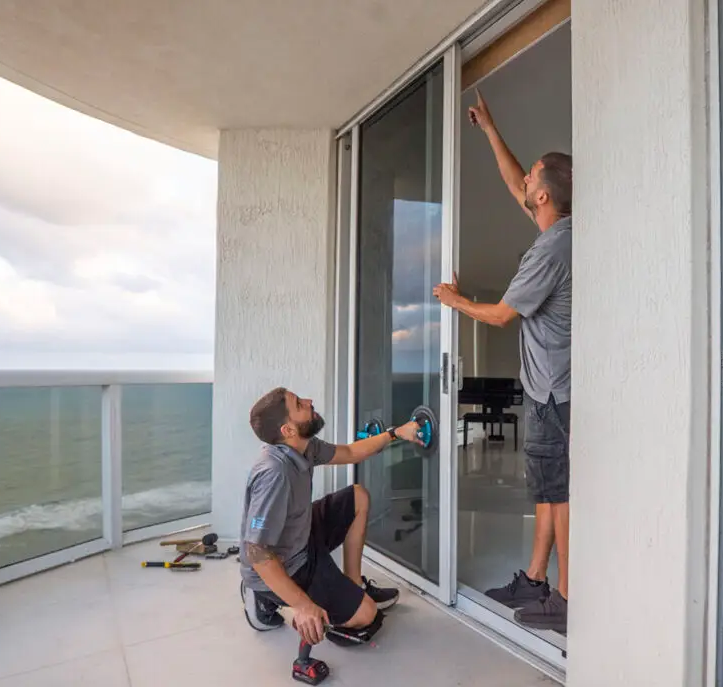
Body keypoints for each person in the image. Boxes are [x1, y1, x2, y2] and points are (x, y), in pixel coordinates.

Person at [433, 89, 572, 633]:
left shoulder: (552, 248)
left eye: (534, 176)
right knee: (546, 490)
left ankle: (564, 598)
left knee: (559, 495)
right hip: (548, 391)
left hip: (557, 392)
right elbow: (515, 181)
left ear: (544, 197)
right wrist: (490, 129)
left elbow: (499, 316)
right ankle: (537, 579)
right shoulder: (556, 230)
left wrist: (453, 300)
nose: (526, 181)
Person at [239, 387, 426, 647]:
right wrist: (303, 606)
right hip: (287, 566)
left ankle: (354, 584)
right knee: (366, 617)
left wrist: (394, 433)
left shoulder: (305, 447)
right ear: (288, 430)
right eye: (299, 404)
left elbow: (350, 453)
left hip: (301, 536)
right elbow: (257, 552)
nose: (309, 401)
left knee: (357, 496)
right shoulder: (274, 472)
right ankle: (266, 599)